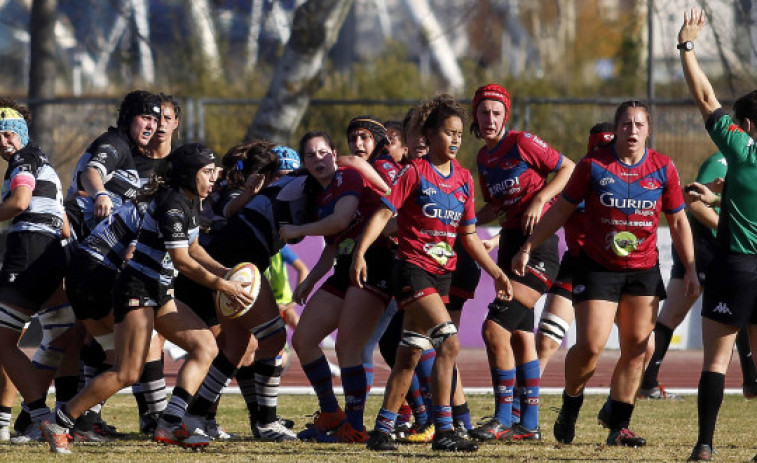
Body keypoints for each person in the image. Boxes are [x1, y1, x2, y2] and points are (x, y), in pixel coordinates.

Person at [513, 100, 698, 448]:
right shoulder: (592, 166)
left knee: (638, 347)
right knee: (591, 347)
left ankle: (619, 425)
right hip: (597, 268)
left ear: (649, 130)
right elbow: (560, 212)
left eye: (639, 125)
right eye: (626, 124)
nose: (633, 131)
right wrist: (527, 246)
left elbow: (677, 221)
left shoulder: (663, 167)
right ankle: (570, 402)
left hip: (643, 270)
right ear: (617, 129)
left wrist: (690, 268)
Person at [47, 144, 251, 453]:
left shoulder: (189, 199)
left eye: (215, 172)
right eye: (207, 173)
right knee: (127, 372)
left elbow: (194, 249)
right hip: (137, 289)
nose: (214, 179)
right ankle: (60, 422)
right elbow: (182, 260)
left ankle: (169, 422)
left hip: (157, 289)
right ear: (187, 174)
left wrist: (226, 271)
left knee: (205, 346)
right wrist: (223, 285)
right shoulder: (172, 204)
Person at [353, 93, 512, 452]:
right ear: (430, 134)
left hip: (442, 275)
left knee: (409, 353)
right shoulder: (415, 172)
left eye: (459, 133)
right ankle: (444, 430)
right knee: (450, 342)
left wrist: (495, 272)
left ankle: (381, 430)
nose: (455, 140)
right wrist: (360, 253)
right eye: (448, 132)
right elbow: (382, 215)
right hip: (411, 270)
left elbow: (468, 236)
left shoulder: (464, 180)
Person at [469, 83, 575, 442]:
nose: (490, 119)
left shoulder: (523, 142)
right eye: (484, 112)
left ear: (506, 115)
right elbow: (494, 206)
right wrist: (462, 221)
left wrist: (540, 198)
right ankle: (528, 424)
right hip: (510, 246)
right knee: (518, 337)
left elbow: (569, 169)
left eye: (496, 112)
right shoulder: (484, 159)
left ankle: (501, 417)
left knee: (492, 328)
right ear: (475, 116)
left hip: (540, 246)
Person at [677, 7, 757, 461]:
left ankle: (705, 445)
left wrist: (688, 47)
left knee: (716, 361)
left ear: (747, 125)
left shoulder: (743, 151)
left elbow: (706, 97)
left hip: (736, 266)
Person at [286, 129, 395, 444]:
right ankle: (332, 412)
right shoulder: (318, 195)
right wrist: (309, 279)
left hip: (375, 263)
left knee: (349, 346)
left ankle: (356, 428)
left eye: (323, 152)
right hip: (346, 268)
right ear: (305, 163)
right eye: (310, 155)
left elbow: (340, 220)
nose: (318, 159)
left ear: (334, 155)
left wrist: (296, 229)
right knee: (304, 340)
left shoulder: (346, 177)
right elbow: (333, 245)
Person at [639, 151, 757, 401]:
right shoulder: (722, 160)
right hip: (703, 245)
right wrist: (726, 227)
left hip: (726, 250)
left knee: (740, 309)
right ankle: (646, 381)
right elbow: (693, 201)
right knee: (676, 312)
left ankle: (751, 382)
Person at [0, 98, 73, 453]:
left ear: (22, 134)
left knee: (2, 341)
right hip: (50, 251)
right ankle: (64, 417)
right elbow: (64, 224)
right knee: (62, 330)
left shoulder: (23, 159)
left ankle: (46, 420)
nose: (2, 140)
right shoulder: (42, 160)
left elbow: (19, 203)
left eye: (8, 133)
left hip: (28, 247)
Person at [536, 122, 614, 375]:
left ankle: (625, 401)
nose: (605, 153)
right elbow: (546, 216)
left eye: (610, 148)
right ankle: (519, 406)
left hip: (617, 270)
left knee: (640, 345)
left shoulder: (631, 179)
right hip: (578, 264)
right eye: (599, 147)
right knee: (546, 342)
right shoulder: (578, 178)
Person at [64, 90, 160, 239]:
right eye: (146, 118)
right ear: (128, 118)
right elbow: (91, 173)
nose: (151, 126)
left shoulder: (127, 149)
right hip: (74, 231)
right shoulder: (115, 142)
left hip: (87, 234)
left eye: (155, 120)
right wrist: (101, 195)